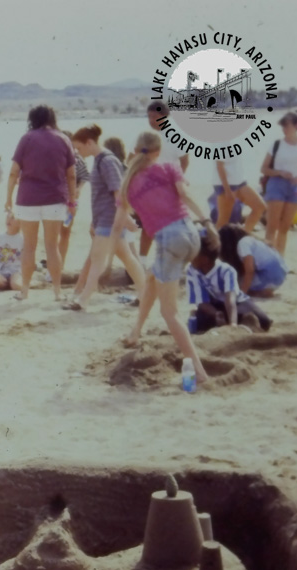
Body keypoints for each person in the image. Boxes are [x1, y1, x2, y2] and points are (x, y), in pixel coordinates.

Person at [114, 132, 216, 385]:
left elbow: (118, 225)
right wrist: (208, 223)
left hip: (169, 241)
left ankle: (200, 374)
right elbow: (186, 196)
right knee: (151, 277)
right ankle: (135, 333)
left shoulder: (126, 186)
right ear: (158, 152)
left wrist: (107, 251)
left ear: (134, 151)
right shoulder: (171, 167)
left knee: (170, 313)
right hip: (191, 234)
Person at [63, 125, 145, 312]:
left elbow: (118, 194)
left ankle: (83, 300)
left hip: (110, 220)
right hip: (106, 220)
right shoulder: (101, 160)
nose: (78, 152)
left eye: (79, 147)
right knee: (127, 258)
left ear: (89, 142)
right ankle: (145, 293)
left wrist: (126, 220)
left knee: (97, 259)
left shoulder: (107, 161)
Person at [5, 105, 76, 301]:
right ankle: (57, 292)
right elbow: (71, 175)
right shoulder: (63, 139)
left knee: (29, 246)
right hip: (55, 198)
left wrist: (8, 197)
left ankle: (25, 291)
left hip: (28, 199)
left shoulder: (26, 139)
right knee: (52, 247)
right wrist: (72, 199)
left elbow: (13, 172)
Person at [186, 233, 272, 332]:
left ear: (205, 259)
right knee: (199, 323)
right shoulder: (192, 270)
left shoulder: (226, 270)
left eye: (193, 254)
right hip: (213, 305)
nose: (189, 256)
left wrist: (233, 325)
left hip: (237, 303)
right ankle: (230, 322)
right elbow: (201, 302)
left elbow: (230, 300)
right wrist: (216, 314)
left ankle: (239, 322)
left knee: (264, 322)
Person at [139, 103, 191, 266]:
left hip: (169, 188)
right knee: (147, 224)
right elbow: (135, 158)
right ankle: (142, 261)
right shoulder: (146, 137)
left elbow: (185, 160)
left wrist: (177, 181)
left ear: (165, 117)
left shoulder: (176, 135)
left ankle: (171, 260)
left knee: (172, 224)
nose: (151, 120)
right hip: (149, 188)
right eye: (149, 117)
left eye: (154, 117)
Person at [261, 110, 297, 258]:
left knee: (285, 228)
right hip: (276, 184)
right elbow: (264, 168)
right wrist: (280, 173)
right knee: (272, 226)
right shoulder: (276, 144)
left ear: (296, 125)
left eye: (286, 125)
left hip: (295, 187)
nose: (283, 129)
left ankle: (279, 259)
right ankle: (267, 259)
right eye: (282, 125)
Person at [218, 224, 288, 297]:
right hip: (281, 272)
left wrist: (241, 293)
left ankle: (263, 290)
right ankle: (263, 289)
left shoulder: (242, 245)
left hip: (271, 276)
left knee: (235, 282)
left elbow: (250, 271)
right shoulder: (249, 240)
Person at [58, 131, 91, 269]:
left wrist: (79, 188)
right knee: (53, 234)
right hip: (55, 199)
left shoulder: (77, 158)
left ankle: (61, 264)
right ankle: (54, 264)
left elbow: (85, 176)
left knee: (65, 233)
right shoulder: (54, 158)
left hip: (71, 200)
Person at [213, 156, 265, 232]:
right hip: (226, 183)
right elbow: (219, 166)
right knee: (223, 221)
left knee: (259, 207)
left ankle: (242, 236)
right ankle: (217, 242)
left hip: (239, 181)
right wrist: (227, 190)